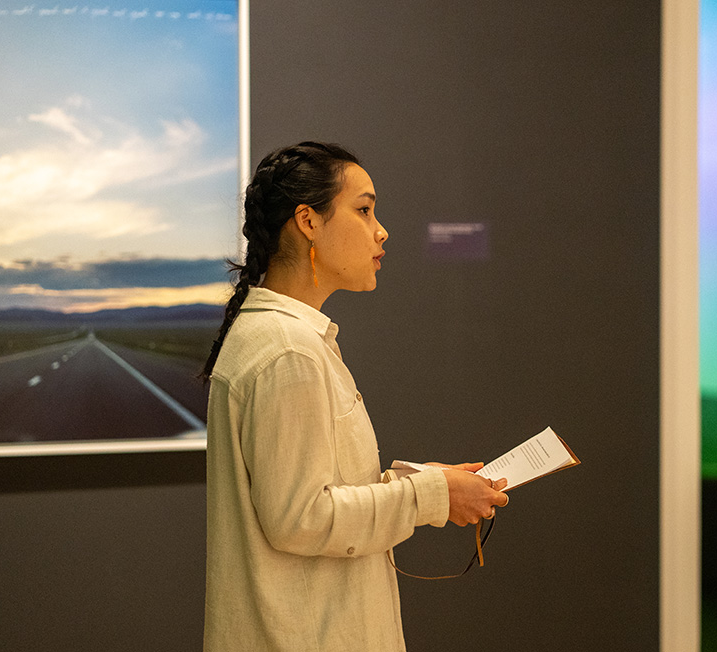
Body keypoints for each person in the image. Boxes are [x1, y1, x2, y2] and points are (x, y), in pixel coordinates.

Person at [201, 141, 510, 652]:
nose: (381, 229)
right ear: (308, 221)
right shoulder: (289, 351)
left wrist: (425, 483)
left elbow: (310, 495)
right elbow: (301, 518)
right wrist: (433, 496)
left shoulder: (285, 339)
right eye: (364, 210)